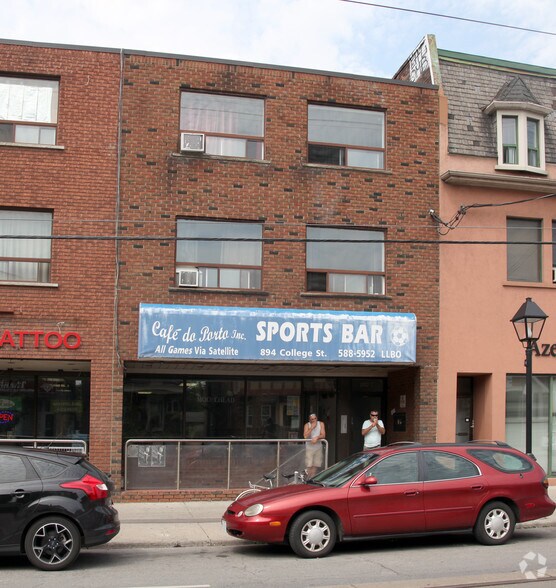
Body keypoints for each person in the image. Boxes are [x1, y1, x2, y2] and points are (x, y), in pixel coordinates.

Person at [303, 413, 326, 479]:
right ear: (309, 420)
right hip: (309, 448)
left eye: (315, 418)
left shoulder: (321, 424)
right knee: (309, 465)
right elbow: (305, 436)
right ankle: (307, 478)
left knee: (315, 465)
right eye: (312, 419)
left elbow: (323, 435)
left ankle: (311, 478)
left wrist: (317, 437)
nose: (314, 420)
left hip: (318, 448)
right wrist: (311, 428)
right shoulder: (307, 425)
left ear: (317, 418)